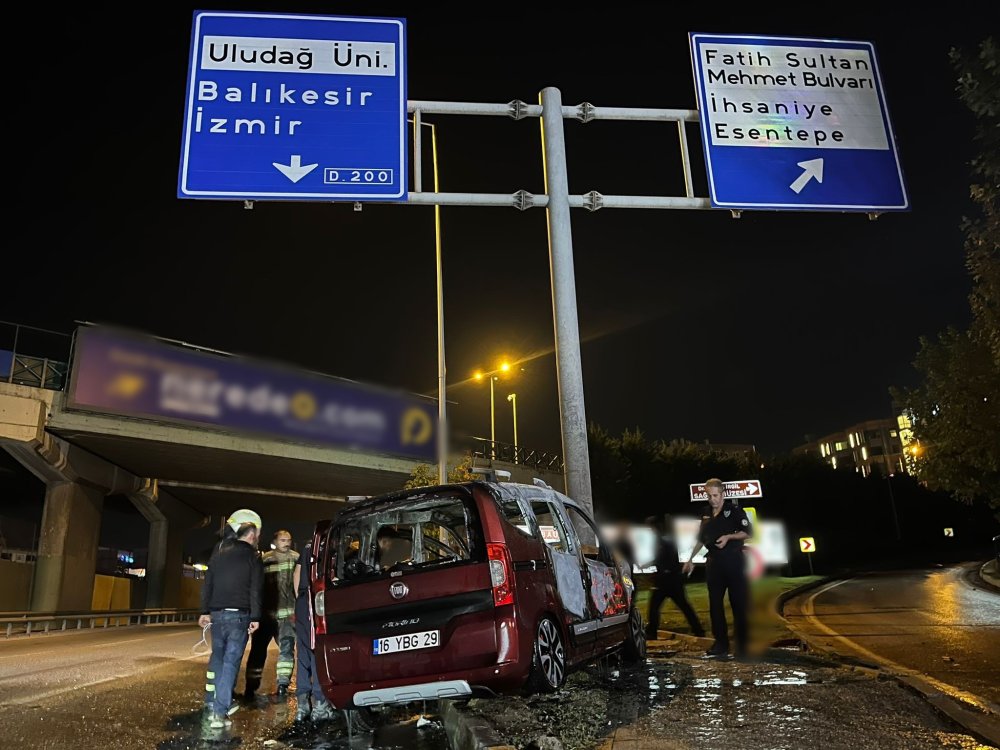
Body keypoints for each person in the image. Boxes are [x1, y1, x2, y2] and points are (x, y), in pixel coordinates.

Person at [199, 521, 262, 729]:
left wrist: (204, 611)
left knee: (218, 658)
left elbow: (208, 582)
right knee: (230, 662)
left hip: (217, 615)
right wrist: (256, 617)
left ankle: (211, 702)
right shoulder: (253, 556)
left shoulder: (219, 552)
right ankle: (220, 712)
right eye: (257, 535)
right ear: (251, 536)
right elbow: (255, 589)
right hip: (239, 616)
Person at [682, 478, 752, 658]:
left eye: (715, 495)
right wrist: (690, 559)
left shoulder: (734, 511)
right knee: (715, 605)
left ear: (723, 494)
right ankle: (720, 644)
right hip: (714, 564)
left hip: (734, 561)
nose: (712, 499)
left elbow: (747, 532)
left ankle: (742, 646)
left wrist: (729, 537)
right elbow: (700, 539)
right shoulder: (705, 513)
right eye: (709, 496)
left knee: (738, 604)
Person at [245, 529, 299, 698]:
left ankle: (282, 685)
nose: (287, 543)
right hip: (266, 615)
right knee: (258, 652)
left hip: (286, 616)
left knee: (286, 651)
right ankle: (251, 687)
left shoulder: (295, 558)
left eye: (288, 540)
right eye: (283, 540)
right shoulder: (265, 559)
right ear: (275, 541)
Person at [292, 542, 335, 722]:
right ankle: (320, 704)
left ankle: (302, 704)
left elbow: (297, 573)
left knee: (304, 652)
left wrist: (300, 598)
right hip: (315, 600)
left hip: (304, 602)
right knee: (318, 650)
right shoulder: (331, 544)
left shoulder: (309, 546)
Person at [645, 514, 705, 639]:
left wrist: (652, 565)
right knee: (680, 606)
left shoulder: (664, 541)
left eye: (650, 527)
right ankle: (698, 630)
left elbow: (665, 559)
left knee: (658, 607)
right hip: (668, 579)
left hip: (669, 580)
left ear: (656, 527)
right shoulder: (662, 540)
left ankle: (652, 632)